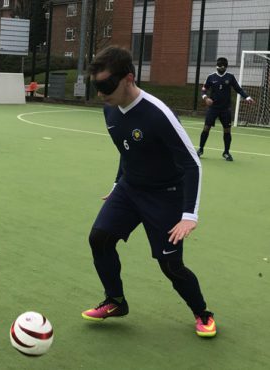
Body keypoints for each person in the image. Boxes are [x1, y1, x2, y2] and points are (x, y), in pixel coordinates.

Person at [81, 46, 216, 338]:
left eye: (106, 86)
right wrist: (118, 184)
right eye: (97, 86)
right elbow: (127, 150)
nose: (101, 94)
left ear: (128, 78)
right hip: (130, 189)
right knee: (99, 239)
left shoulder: (158, 114)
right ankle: (115, 301)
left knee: (170, 265)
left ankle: (202, 313)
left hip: (166, 196)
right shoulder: (110, 110)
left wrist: (189, 215)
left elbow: (192, 164)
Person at [198, 57, 255, 161]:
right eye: (220, 66)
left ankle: (226, 152)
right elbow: (203, 90)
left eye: (224, 66)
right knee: (206, 128)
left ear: (226, 67)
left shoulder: (230, 77)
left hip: (225, 109)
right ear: (217, 66)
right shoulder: (210, 77)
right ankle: (200, 149)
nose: (221, 68)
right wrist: (205, 98)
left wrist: (247, 97)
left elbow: (238, 89)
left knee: (227, 130)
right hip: (213, 108)